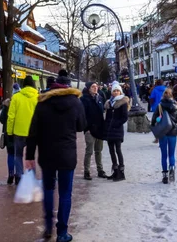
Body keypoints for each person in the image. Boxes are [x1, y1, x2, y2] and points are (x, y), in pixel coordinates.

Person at [25, 69, 86, 242]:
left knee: (48, 189)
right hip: (67, 154)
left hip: (47, 153)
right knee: (66, 193)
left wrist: (29, 155)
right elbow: (82, 125)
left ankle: (48, 227)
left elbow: (33, 131)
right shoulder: (75, 102)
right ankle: (62, 233)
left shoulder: (43, 102)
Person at [7, 77, 38, 184]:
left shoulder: (16, 97)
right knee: (31, 156)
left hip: (18, 132)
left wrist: (9, 132)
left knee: (18, 155)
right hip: (33, 133)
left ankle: (19, 176)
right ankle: (31, 176)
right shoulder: (38, 97)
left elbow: (11, 116)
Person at [151, 88, 177, 184]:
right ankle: (172, 168)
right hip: (173, 132)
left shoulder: (160, 106)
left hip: (162, 133)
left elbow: (153, 120)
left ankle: (164, 176)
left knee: (164, 155)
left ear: (163, 96)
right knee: (171, 154)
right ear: (172, 96)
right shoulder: (176, 106)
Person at [80, 82, 107, 180]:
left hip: (100, 129)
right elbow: (82, 115)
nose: (95, 88)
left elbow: (102, 113)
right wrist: (86, 128)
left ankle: (100, 170)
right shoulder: (84, 99)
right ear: (88, 88)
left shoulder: (100, 98)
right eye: (93, 87)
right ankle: (86, 171)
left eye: (96, 87)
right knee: (89, 151)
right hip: (89, 130)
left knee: (98, 151)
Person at [103, 83, 129, 181]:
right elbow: (107, 117)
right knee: (111, 151)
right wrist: (107, 125)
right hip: (110, 130)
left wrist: (116, 124)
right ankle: (115, 171)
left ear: (120, 92)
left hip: (117, 130)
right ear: (112, 92)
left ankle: (121, 172)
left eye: (118, 90)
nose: (116, 92)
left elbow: (124, 117)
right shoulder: (109, 103)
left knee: (118, 150)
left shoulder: (122, 102)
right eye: (114, 90)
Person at [0, 95, 15, 185]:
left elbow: (1, 119)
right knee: (18, 155)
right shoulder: (18, 105)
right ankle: (18, 174)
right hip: (18, 132)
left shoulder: (6, 106)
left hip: (8, 133)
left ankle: (11, 173)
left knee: (11, 154)